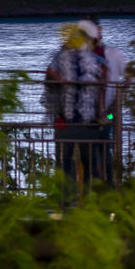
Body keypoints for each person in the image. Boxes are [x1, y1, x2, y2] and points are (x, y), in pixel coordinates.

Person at [45, 21, 112, 188]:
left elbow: (50, 77)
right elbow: (104, 84)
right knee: (90, 164)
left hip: (64, 122)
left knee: (64, 164)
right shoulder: (98, 61)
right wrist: (102, 113)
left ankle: (64, 204)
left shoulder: (59, 58)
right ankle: (90, 204)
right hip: (88, 123)